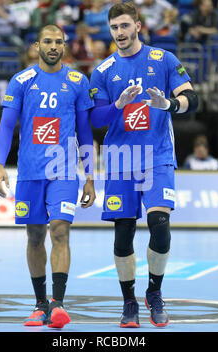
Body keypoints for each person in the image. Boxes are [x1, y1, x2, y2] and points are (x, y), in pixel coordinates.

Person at [89, 2, 198, 328]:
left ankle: (154, 292)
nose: (120, 33)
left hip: (157, 157)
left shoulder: (163, 60)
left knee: (160, 225)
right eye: (114, 28)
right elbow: (95, 118)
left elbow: (192, 99)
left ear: (138, 25)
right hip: (121, 160)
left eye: (125, 26)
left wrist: (168, 104)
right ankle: (129, 303)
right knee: (123, 235)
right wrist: (118, 105)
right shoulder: (103, 70)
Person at [0, 24, 96, 329]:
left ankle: (58, 304)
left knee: (60, 231)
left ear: (64, 46)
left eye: (59, 42)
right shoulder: (22, 81)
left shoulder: (78, 81)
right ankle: (40, 304)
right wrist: (0, 165)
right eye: (48, 41)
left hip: (63, 171)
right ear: (37, 46)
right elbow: (6, 127)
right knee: (35, 235)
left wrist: (89, 174)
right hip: (30, 172)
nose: (54, 46)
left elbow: (85, 132)